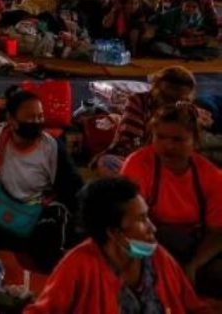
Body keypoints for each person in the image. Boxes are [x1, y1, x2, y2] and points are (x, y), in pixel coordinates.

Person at [25, 177, 207, 313]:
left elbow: (194, 308)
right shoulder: (79, 264)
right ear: (113, 232)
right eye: (141, 219)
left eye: (148, 217)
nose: (152, 227)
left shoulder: (157, 257)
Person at [0, 86, 83, 271]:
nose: (37, 122)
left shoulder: (51, 147)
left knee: (50, 238)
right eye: (30, 118)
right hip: (0, 208)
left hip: (36, 213)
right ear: (12, 120)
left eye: (40, 117)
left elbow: (73, 190)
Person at [120, 103, 222, 295]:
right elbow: (128, 221)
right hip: (149, 243)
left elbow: (217, 232)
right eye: (160, 137)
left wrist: (194, 265)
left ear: (195, 141)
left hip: (196, 247)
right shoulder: (138, 164)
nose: (168, 146)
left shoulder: (211, 176)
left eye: (178, 140)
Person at [94, 65, 201, 176]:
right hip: (140, 159)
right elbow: (130, 142)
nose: (172, 103)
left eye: (179, 98)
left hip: (172, 163)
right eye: (168, 97)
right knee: (108, 162)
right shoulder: (139, 101)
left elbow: (192, 146)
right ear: (156, 88)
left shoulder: (187, 109)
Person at [150, 0, 220, 59]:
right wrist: (182, 35)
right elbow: (165, 35)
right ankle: (185, 54)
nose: (190, 9)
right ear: (182, 5)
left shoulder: (198, 16)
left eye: (194, 7)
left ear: (198, 8)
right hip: (170, 40)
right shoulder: (170, 15)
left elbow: (199, 30)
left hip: (186, 41)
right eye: (187, 6)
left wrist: (194, 33)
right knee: (158, 46)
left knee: (211, 44)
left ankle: (185, 53)